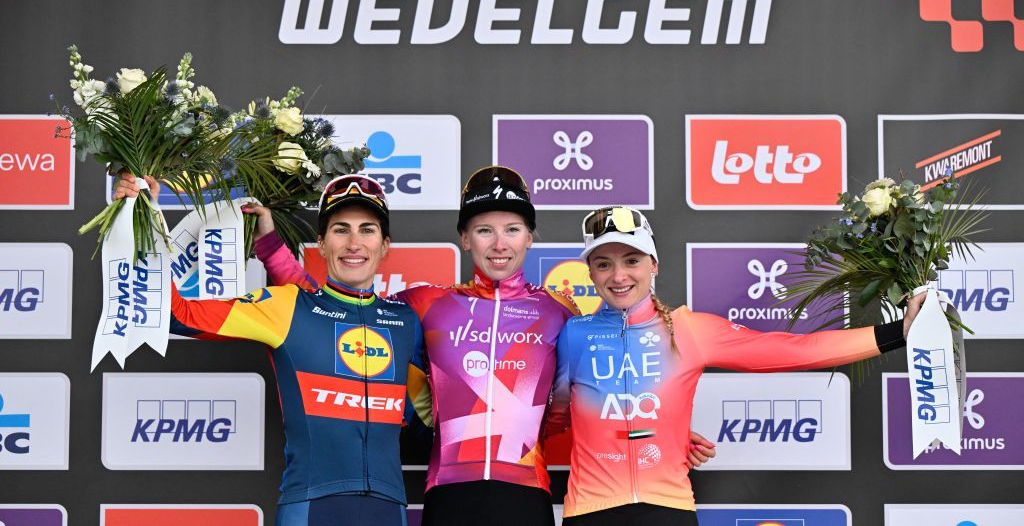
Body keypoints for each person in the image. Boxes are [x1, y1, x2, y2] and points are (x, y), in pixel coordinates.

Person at [253, 167, 716, 526]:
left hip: (527, 495)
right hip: (449, 494)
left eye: (512, 229)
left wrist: (660, 430)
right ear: (464, 238)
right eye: (483, 230)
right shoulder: (428, 304)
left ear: (530, 238)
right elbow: (329, 308)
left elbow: (606, 376)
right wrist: (272, 248)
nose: (499, 244)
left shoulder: (558, 311)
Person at [545, 206, 926, 526]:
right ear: (590, 272)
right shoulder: (574, 334)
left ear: (654, 264)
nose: (618, 276)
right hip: (589, 509)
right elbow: (552, 417)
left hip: (667, 508)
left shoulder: (689, 330)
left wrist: (900, 331)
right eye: (603, 264)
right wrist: (651, 429)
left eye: (632, 261)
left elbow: (791, 351)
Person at [115, 174, 430, 526]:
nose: (354, 243)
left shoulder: (405, 322)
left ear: (385, 246)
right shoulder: (287, 307)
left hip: (388, 509)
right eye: (341, 230)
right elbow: (176, 314)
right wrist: (142, 220)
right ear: (321, 244)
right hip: (309, 506)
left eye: (367, 230)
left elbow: (426, 422)